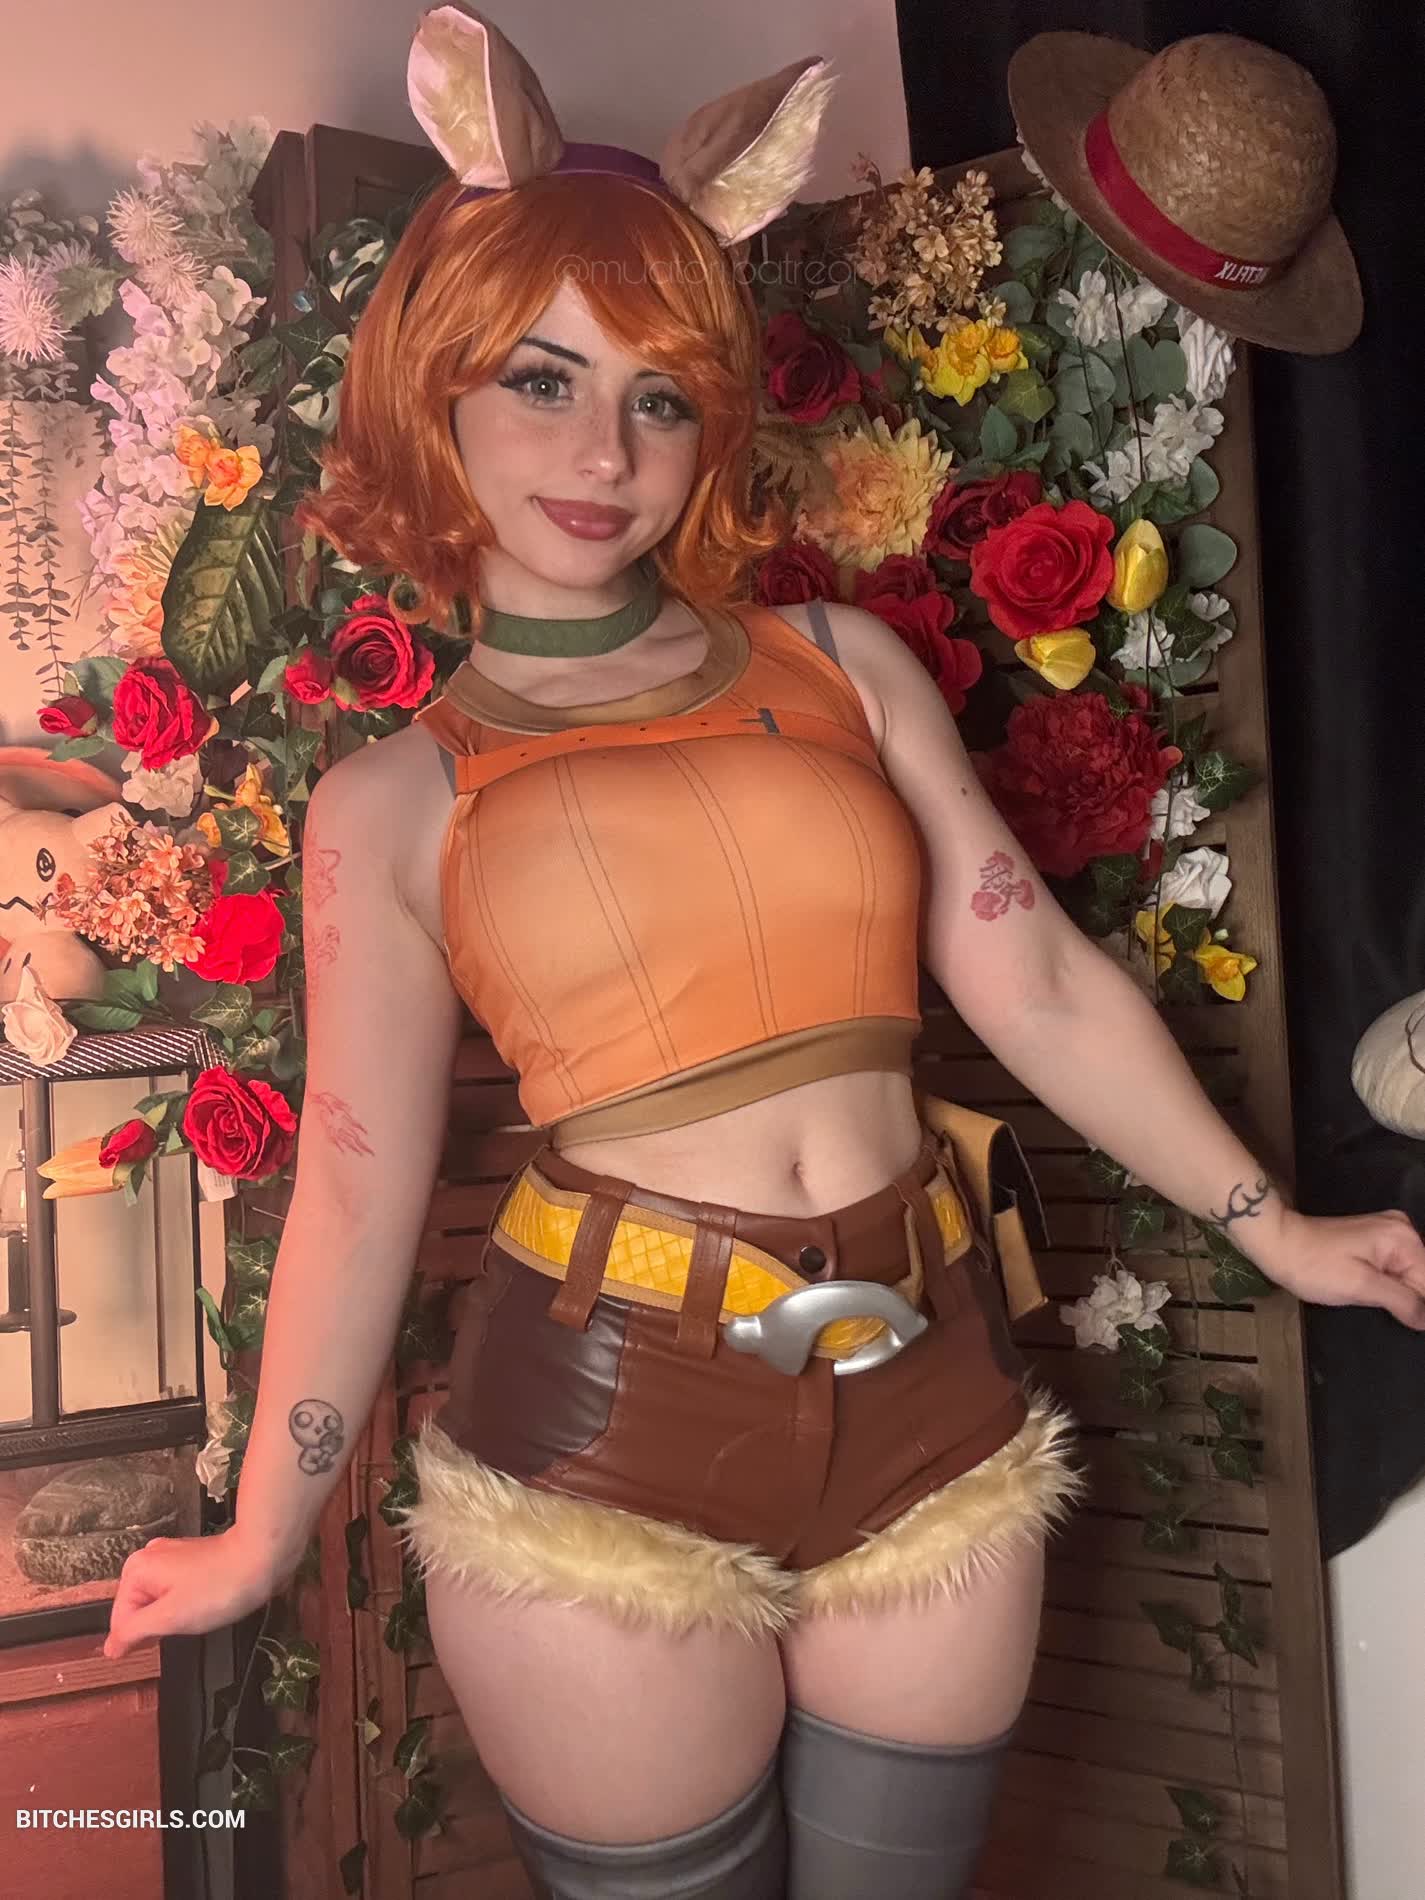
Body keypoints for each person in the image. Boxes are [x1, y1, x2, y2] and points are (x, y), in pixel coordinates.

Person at [102, 10, 1425, 1898]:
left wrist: (1275, 1230)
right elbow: (361, 1175)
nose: (603, 449)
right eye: (543, 378)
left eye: (659, 397)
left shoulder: (841, 665)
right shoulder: (389, 797)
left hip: (930, 1386)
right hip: (605, 1437)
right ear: (434, 388)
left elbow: (1033, 976)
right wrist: (261, 1527)